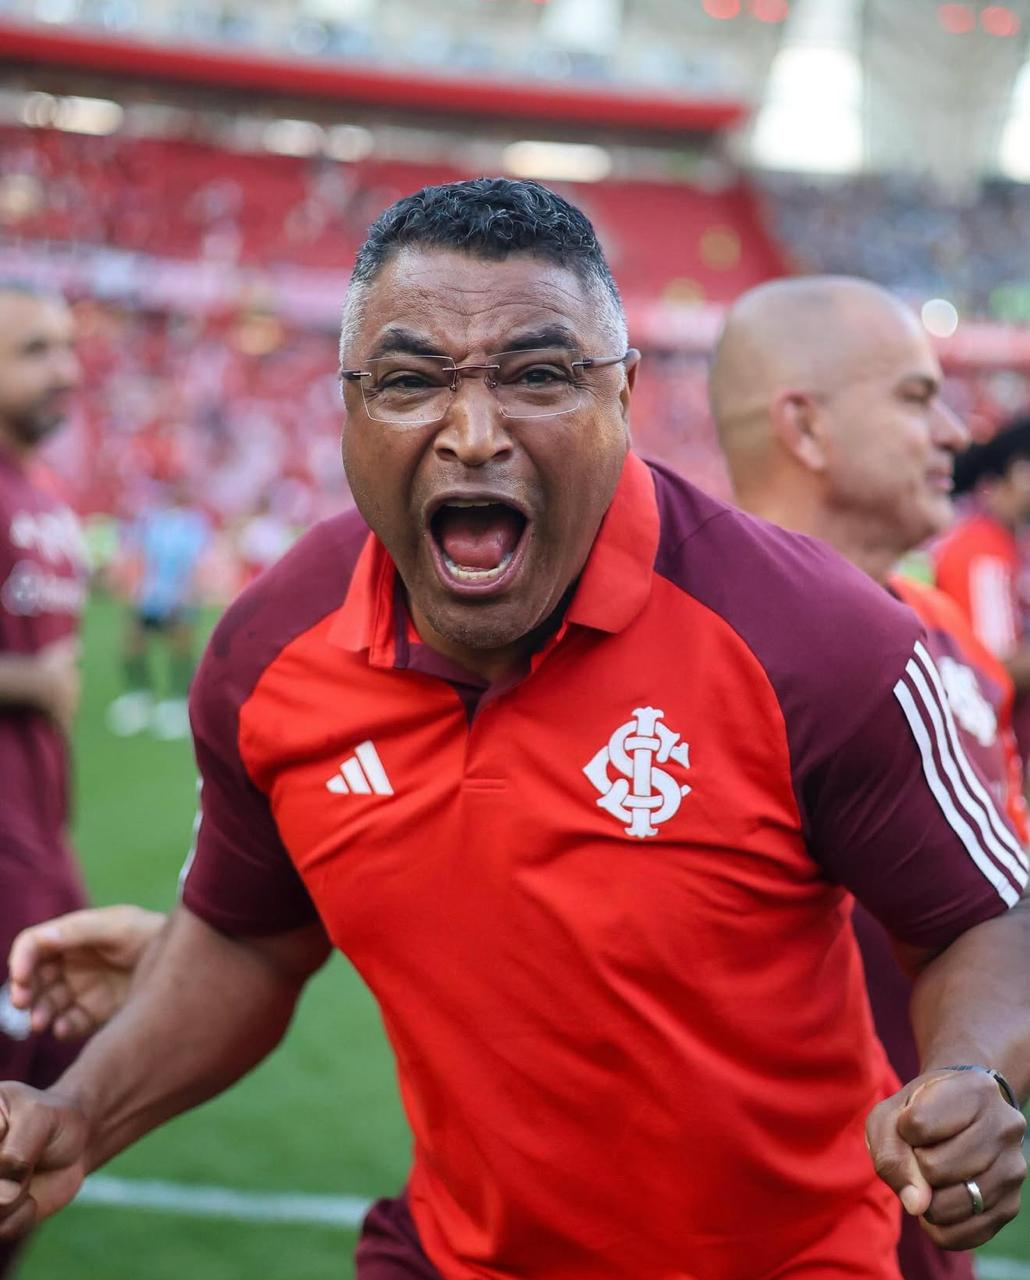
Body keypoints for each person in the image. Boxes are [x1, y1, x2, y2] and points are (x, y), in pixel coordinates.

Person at [0, 180, 1028, 1280]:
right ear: (346, 408)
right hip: (453, 1256)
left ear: (624, 394)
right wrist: (83, 1111)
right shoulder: (269, 654)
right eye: (408, 383)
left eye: (539, 375)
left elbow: (984, 917)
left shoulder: (815, 638)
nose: (474, 434)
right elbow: (251, 936)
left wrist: (974, 1075)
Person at [708, 274, 1030, 1280]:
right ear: (805, 428)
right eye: (915, 397)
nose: (953, 432)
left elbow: (999, 912)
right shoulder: (672, 657)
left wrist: (976, 1077)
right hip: (732, 1233)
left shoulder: (954, 643)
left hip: (920, 1216)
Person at [0, 280, 88, 1277]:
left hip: (41, 838)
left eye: (67, 347)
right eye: (34, 349)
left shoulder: (47, 495)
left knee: (56, 1079)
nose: (64, 368)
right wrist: (27, 680)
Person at [934, 416, 1030, 764]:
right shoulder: (982, 551)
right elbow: (994, 667)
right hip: (989, 755)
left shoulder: (1002, 541)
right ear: (1019, 472)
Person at [105, 476, 211, 741]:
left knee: (180, 646)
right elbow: (141, 556)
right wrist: (135, 588)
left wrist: (186, 595)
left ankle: (179, 700)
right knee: (133, 643)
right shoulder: (153, 520)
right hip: (151, 596)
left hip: (178, 596)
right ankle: (140, 695)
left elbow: (196, 563)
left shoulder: (194, 523)